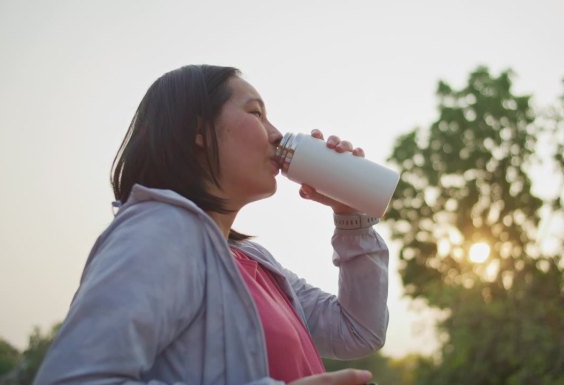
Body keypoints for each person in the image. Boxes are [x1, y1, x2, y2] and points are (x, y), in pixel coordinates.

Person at [34, 65, 389, 385]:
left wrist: (350, 218)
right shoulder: (161, 230)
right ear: (198, 131)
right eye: (256, 113)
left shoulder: (252, 262)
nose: (277, 134)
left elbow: (357, 332)